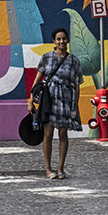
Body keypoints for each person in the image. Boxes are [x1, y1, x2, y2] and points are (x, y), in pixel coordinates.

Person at [27, 27, 83, 180]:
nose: (61, 41)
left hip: (66, 100)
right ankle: (48, 168)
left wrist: (75, 107)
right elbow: (37, 81)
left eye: (64, 38)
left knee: (63, 133)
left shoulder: (74, 60)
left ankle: (60, 168)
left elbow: (77, 85)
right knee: (48, 133)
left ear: (67, 40)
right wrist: (31, 101)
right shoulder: (46, 58)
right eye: (58, 39)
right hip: (49, 100)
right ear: (54, 41)